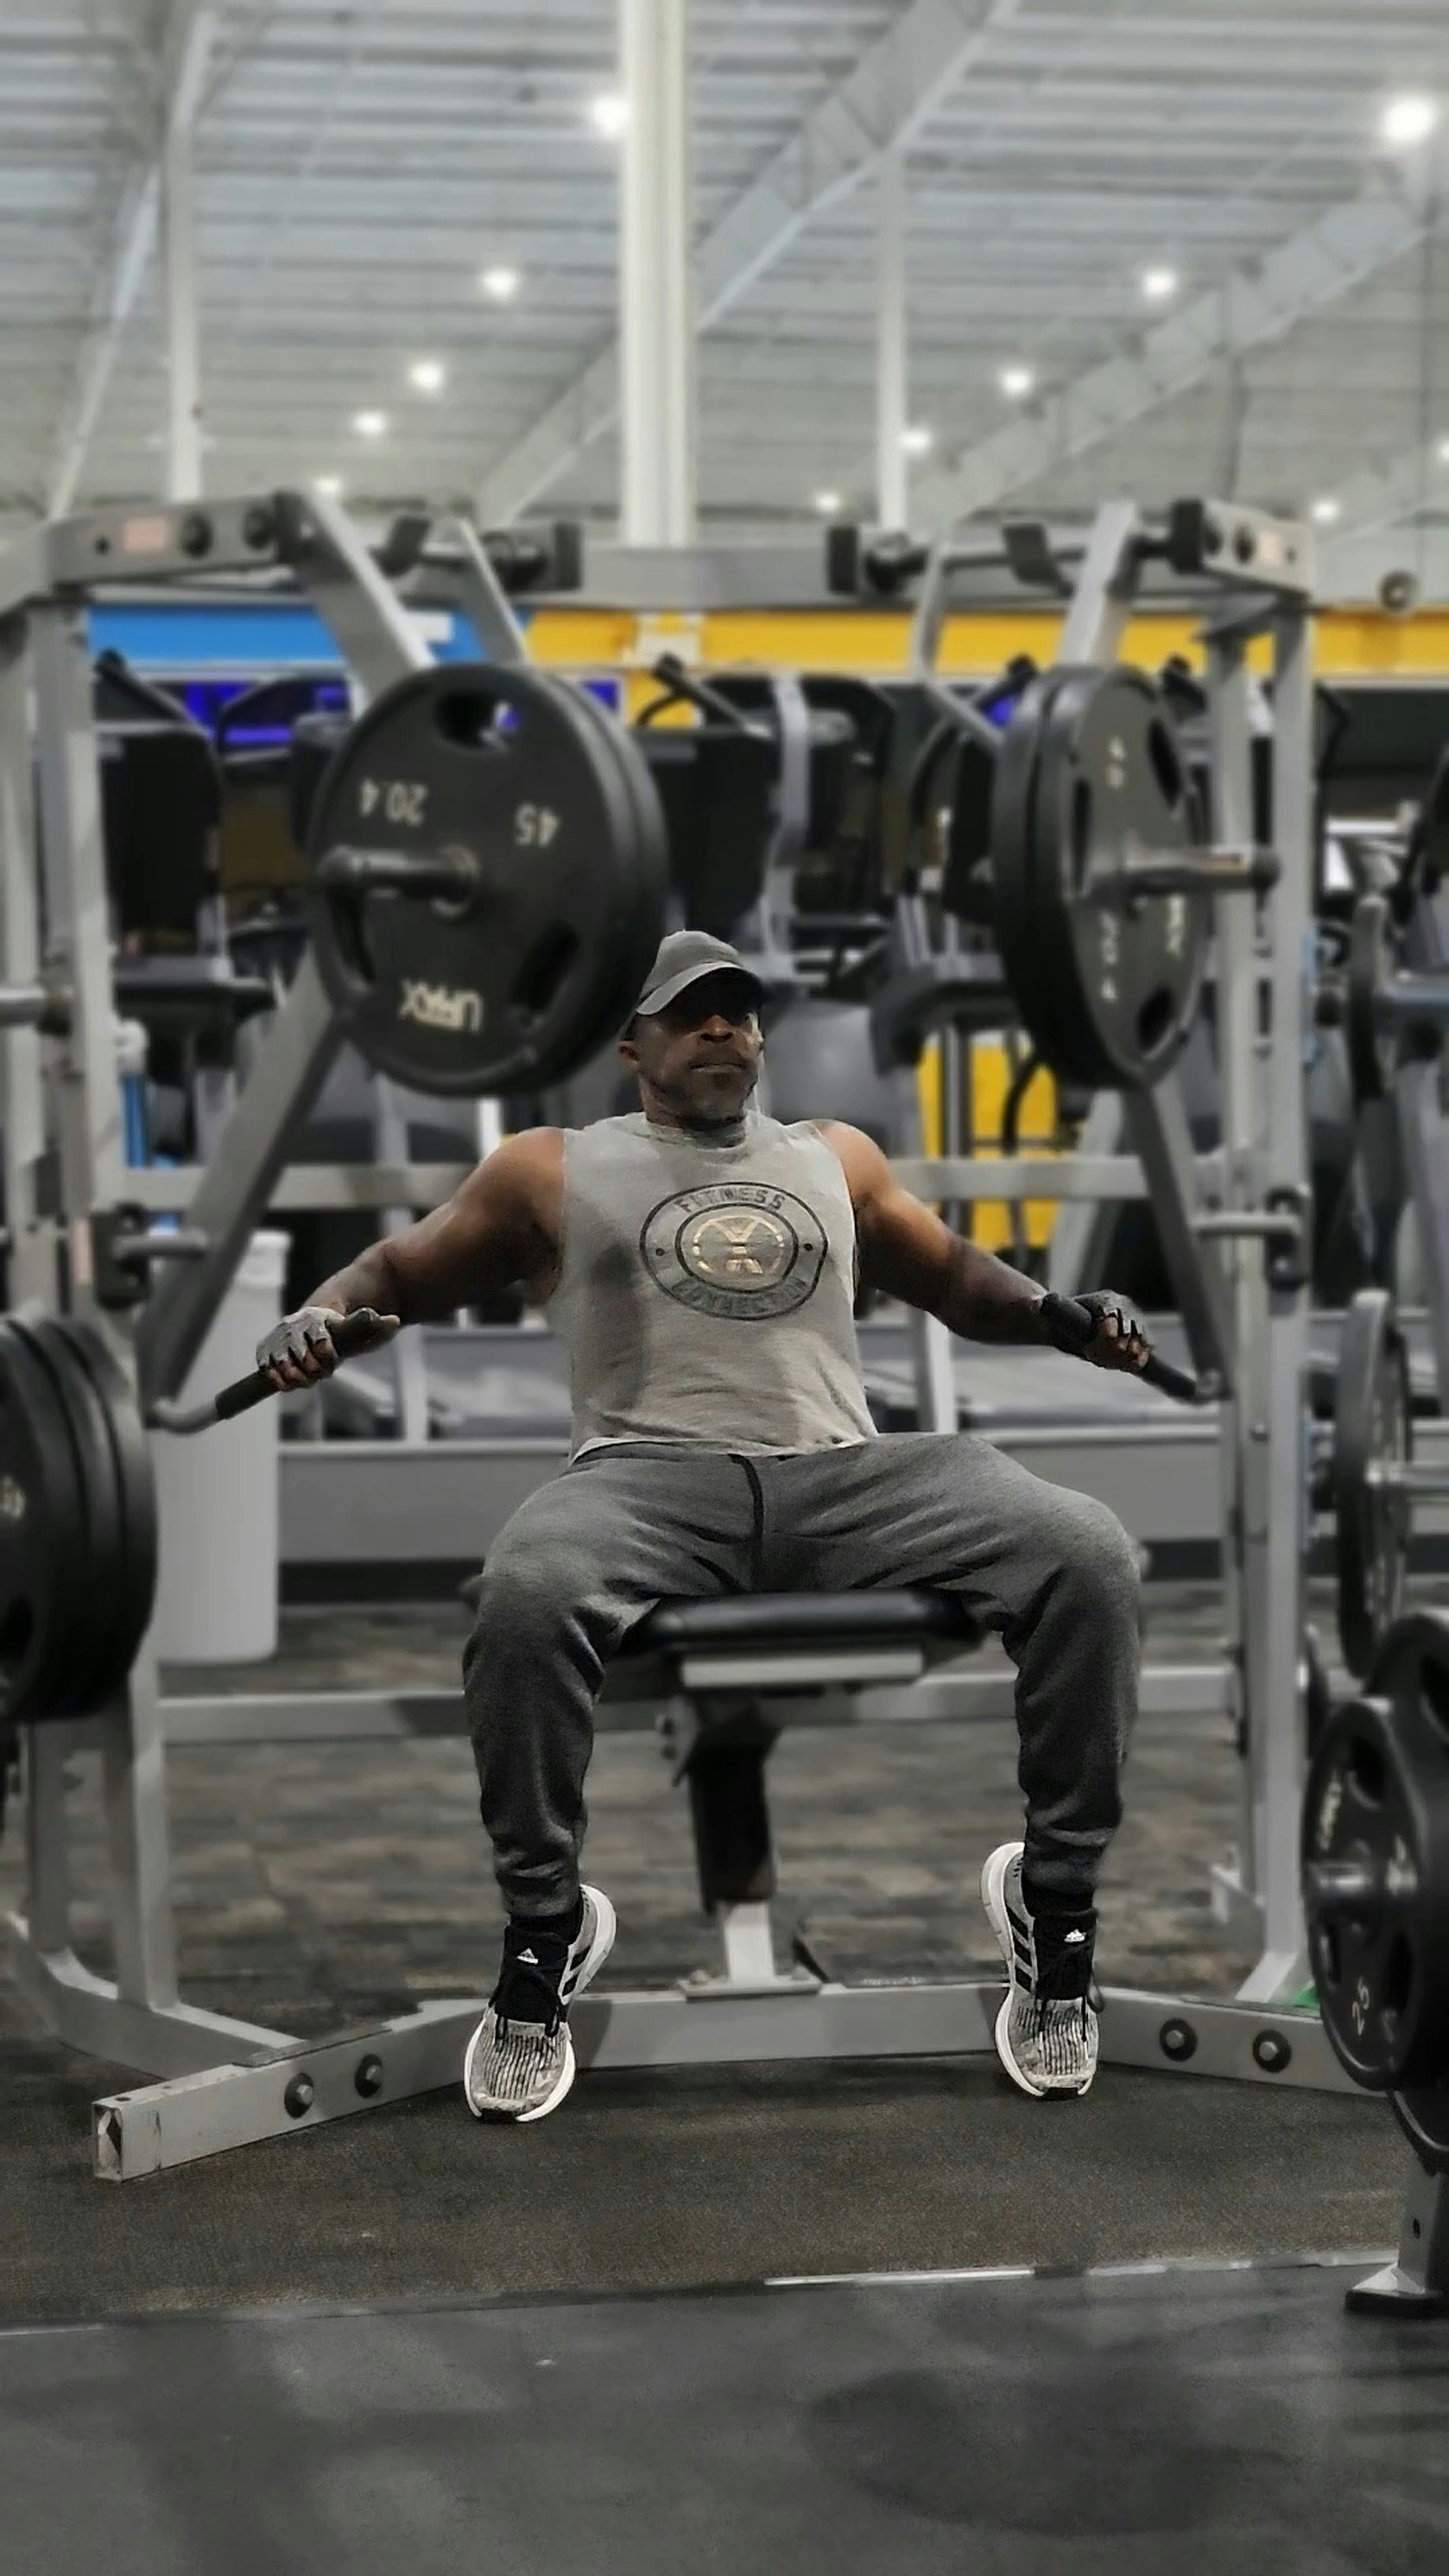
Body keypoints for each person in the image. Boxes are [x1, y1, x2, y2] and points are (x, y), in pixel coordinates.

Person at [258, 930, 1149, 2126]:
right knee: (526, 1595)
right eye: (690, 1015)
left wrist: (1061, 1315)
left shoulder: (835, 1155)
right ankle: (543, 1931)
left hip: (845, 1478)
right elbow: (397, 1272)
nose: (721, 1029)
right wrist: (313, 1318)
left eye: (737, 1012)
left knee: (1085, 1550)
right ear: (635, 1047)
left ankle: (1056, 1902)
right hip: (643, 1480)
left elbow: (955, 1279)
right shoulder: (551, 1168)